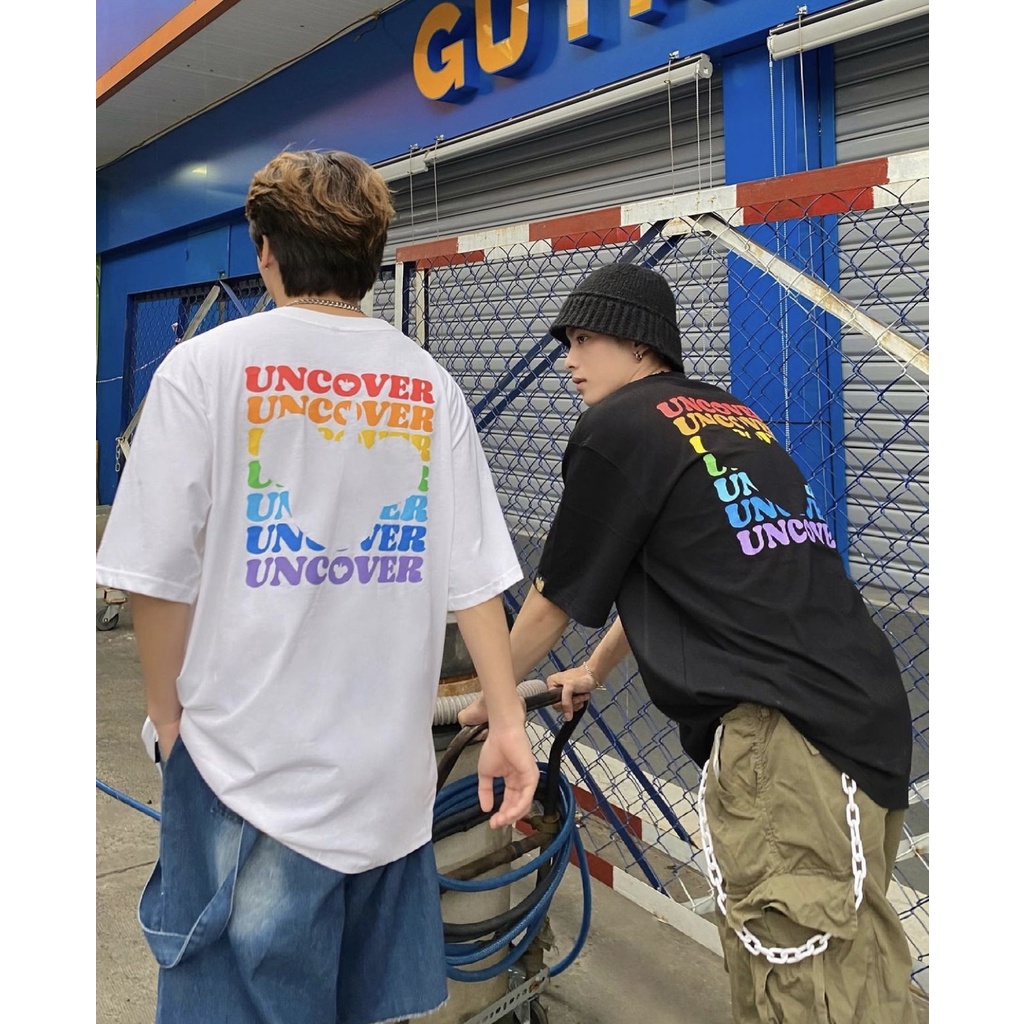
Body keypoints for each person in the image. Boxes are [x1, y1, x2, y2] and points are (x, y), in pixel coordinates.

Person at [96, 149, 539, 1024]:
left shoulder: (204, 369)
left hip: (242, 767)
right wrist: (508, 723)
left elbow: (155, 576)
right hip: (386, 785)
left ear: (265, 250)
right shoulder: (430, 386)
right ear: (373, 255)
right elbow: (476, 580)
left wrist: (168, 718)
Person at [459, 261, 917, 1023]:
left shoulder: (617, 427)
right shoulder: (734, 418)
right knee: (857, 969)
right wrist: (594, 669)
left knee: (800, 986)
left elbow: (553, 598)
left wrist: (490, 699)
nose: (569, 361)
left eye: (584, 339)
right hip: (863, 721)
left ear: (639, 344)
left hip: (784, 743)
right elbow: (688, 572)